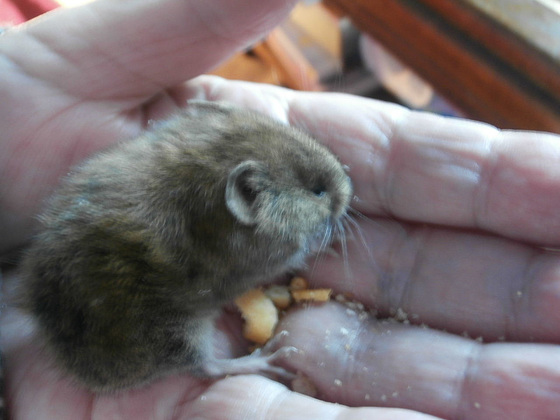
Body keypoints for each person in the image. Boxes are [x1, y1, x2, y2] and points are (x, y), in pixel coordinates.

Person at [1, 0, 560, 418]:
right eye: (319, 191)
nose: (340, 189)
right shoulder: (219, 238)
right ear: (247, 200)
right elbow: (228, 268)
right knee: (175, 330)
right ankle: (212, 363)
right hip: (109, 343)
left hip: (59, 281)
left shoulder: (193, 181)